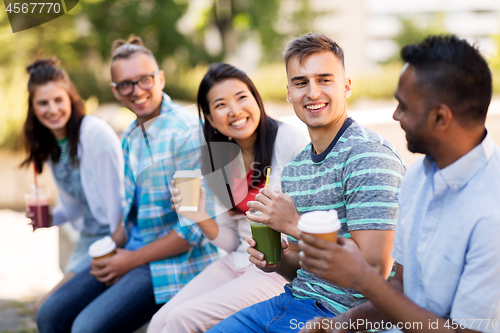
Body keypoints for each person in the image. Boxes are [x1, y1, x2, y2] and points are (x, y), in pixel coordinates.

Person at [299, 35, 500, 333]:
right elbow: (402, 287)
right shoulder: (417, 176)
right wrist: (338, 325)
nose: (395, 115)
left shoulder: (491, 212)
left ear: (440, 117)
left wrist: (362, 279)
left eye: (403, 106)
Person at [207, 32, 406, 332]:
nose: (312, 92)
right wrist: (279, 261)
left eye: (324, 79)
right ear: (288, 92)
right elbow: (307, 269)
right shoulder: (297, 167)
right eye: (301, 83)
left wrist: (294, 224)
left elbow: (377, 268)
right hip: (293, 301)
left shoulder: (368, 155)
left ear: (346, 86)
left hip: (347, 319)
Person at [36, 36, 219, 333]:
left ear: (160, 78)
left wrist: (128, 261)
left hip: (174, 265)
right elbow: (127, 216)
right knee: (49, 313)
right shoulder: (130, 135)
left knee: (86, 327)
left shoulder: (186, 134)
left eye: (144, 80)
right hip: (132, 251)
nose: (137, 91)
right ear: (115, 91)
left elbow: (192, 232)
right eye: (126, 84)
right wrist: (108, 253)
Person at [148, 63, 310, 332]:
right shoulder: (217, 159)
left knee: (181, 320)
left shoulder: (290, 142)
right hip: (236, 259)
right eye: (221, 105)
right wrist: (198, 215)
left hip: (279, 265)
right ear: (210, 119)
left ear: (256, 100)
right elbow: (231, 240)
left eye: (241, 97)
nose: (235, 111)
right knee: (159, 322)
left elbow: (316, 219)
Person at [21, 57, 123, 313]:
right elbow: (76, 208)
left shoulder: (94, 133)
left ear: (70, 100)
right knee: (45, 309)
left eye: (58, 100)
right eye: (43, 103)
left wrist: (117, 249)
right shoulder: (54, 147)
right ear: (33, 108)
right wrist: (47, 219)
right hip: (86, 239)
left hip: (110, 241)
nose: (52, 109)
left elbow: (118, 200)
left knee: (47, 310)